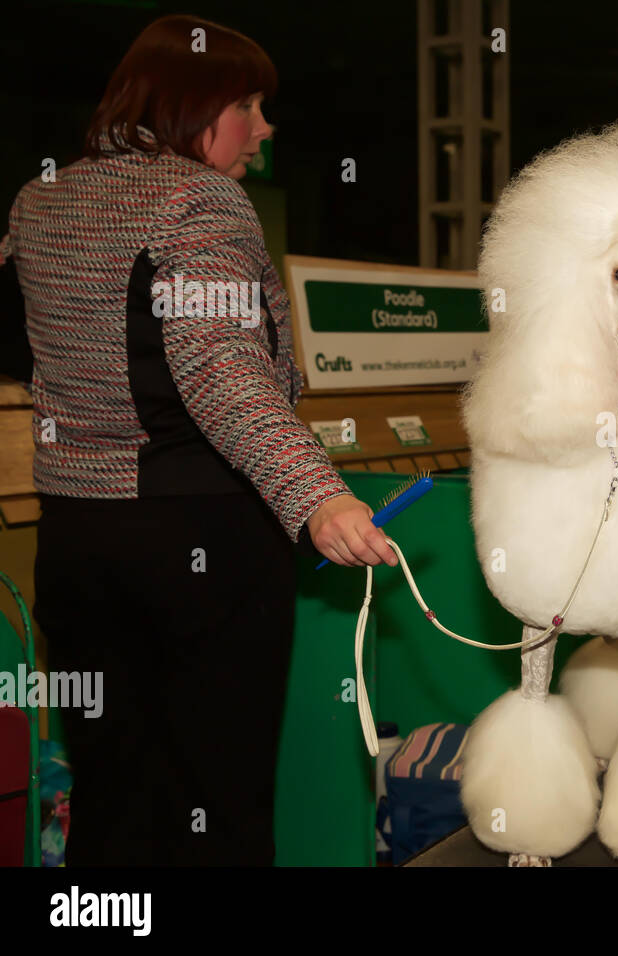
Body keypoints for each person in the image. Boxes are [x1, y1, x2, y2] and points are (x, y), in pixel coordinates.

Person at [0, 15, 397, 865]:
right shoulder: (198, 198)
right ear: (194, 103)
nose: (265, 126)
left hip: (76, 541)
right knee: (219, 803)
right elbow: (219, 369)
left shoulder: (40, 199)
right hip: (201, 542)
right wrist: (317, 494)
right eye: (248, 104)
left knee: (110, 798)